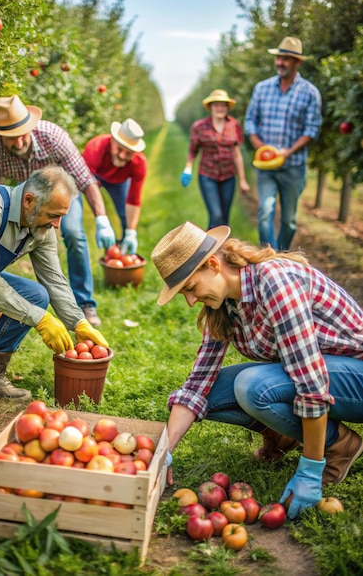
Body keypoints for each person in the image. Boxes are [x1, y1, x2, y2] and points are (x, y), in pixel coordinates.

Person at [151, 221, 363, 519]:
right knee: (205, 395)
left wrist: (310, 469)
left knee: (252, 386)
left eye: (190, 288)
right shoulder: (224, 304)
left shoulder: (274, 283)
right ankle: (285, 434)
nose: (190, 301)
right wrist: (165, 451)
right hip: (320, 373)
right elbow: (198, 382)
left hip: (355, 377)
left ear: (213, 264)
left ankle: (339, 444)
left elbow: (312, 386)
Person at [0, 166, 108, 401]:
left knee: (36, 295)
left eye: (61, 216)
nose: (57, 224)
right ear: (29, 201)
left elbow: (54, 279)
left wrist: (78, 322)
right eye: (53, 215)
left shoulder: (41, 226)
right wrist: (40, 319)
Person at [0, 95, 117, 327]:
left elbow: (84, 180)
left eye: (23, 133)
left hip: (63, 194)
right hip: (27, 199)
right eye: (11, 137)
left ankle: (85, 303)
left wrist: (102, 218)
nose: (19, 141)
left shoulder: (53, 137)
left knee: (73, 234)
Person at [244, 36, 322, 251]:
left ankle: (282, 254)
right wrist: (260, 145)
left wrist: (287, 152)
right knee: (265, 212)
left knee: (289, 220)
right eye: (279, 57)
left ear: (297, 62)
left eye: (286, 59)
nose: (280, 62)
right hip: (266, 167)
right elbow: (250, 120)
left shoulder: (310, 93)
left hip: (293, 167)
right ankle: (269, 258)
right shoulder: (262, 89)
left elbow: (311, 130)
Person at [180, 89, 250, 229]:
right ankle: (209, 249)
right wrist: (188, 168)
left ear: (227, 107)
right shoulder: (199, 127)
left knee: (224, 218)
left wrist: (242, 180)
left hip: (228, 176)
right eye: (216, 105)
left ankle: (223, 249)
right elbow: (193, 151)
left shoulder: (234, 125)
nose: (220, 108)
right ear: (210, 107)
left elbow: (237, 154)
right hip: (207, 175)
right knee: (216, 215)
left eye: (223, 105)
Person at [82, 118, 147, 254]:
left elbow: (133, 200)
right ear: (112, 140)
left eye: (129, 152)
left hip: (119, 181)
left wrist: (131, 232)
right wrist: (102, 221)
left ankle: (122, 248)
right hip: (93, 177)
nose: (123, 156)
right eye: (119, 149)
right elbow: (88, 185)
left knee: (124, 214)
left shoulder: (139, 163)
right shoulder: (95, 148)